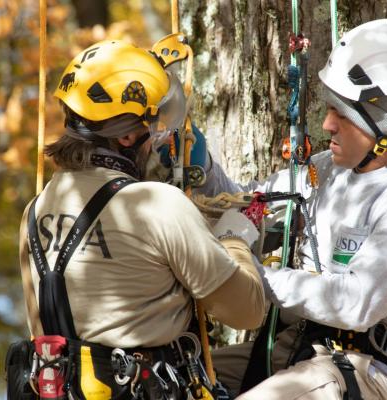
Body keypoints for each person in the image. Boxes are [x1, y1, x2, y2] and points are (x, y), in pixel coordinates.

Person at [196, 19, 387, 399]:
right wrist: (200, 165)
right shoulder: (325, 169)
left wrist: (253, 274)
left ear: (385, 119)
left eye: (342, 113)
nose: (327, 124)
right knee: (179, 380)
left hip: (373, 373)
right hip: (307, 352)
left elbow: (354, 303)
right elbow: (248, 205)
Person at [17, 39, 265, 399]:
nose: (161, 137)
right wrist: (234, 237)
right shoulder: (155, 205)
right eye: (155, 124)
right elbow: (248, 312)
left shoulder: (33, 213)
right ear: (129, 135)